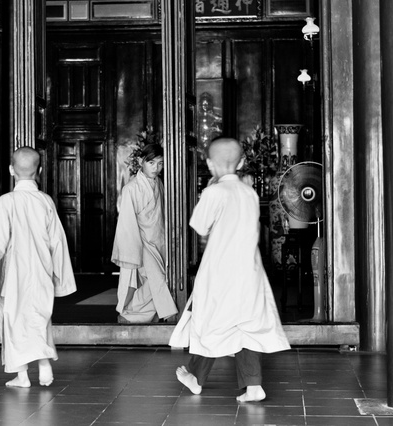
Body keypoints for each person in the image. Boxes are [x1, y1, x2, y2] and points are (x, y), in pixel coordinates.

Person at [172, 137, 290, 402]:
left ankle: (195, 375)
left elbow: (200, 225)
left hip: (220, 271)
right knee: (244, 326)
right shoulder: (250, 193)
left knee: (210, 322)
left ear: (210, 163)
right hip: (249, 272)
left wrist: (209, 192)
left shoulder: (215, 192)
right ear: (242, 162)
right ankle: (253, 385)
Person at [0, 147, 77, 388]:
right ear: (39, 171)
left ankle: (23, 375)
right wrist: (61, 278)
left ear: (10, 170)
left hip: (13, 275)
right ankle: (44, 363)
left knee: (12, 321)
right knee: (40, 317)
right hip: (41, 272)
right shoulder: (46, 201)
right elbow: (57, 241)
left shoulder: (6, 201)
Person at [111, 143, 178, 323]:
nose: (156, 168)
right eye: (152, 163)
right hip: (141, 242)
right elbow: (126, 222)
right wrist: (131, 249)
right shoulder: (131, 188)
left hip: (158, 240)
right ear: (141, 161)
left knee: (157, 280)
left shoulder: (159, 183)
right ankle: (134, 311)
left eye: (160, 163)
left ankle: (134, 314)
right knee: (158, 278)